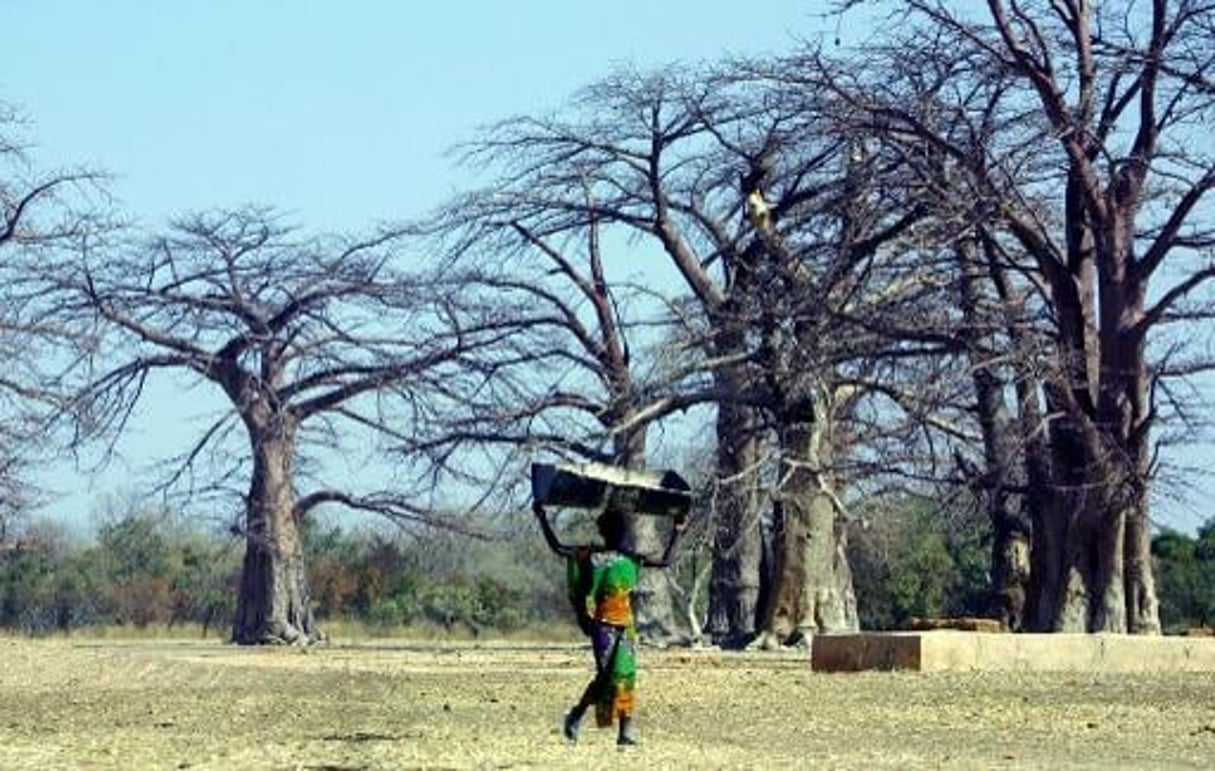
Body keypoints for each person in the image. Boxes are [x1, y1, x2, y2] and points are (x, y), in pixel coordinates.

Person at [533, 497, 686, 747]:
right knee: (605, 677)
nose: (621, 533)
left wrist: (678, 531)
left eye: (623, 529)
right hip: (602, 625)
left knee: (625, 675)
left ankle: (625, 733)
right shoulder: (591, 556)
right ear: (607, 530)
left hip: (626, 625)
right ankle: (576, 714)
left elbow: (665, 562)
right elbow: (559, 548)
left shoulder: (631, 558)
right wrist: (542, 518)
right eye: (617, 528)